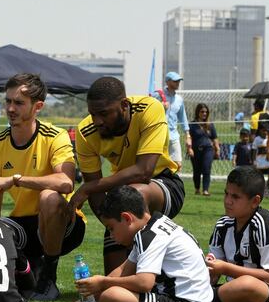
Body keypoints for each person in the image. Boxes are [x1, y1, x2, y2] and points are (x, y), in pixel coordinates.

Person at [69, 77, 185, 274]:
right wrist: (113, 225)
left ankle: (150, 265)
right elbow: (96, 193)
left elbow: (144, 171)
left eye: (104, 114)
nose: (97, 121)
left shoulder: (149, 108)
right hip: (122, 196)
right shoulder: (85, 131)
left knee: (130, 196)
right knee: (113, 290)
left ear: (124, 105)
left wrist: (89, 188)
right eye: (93, 114)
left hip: (163, 184)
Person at [0, 73, 82, 301]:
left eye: (18, 103)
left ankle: (49, 277)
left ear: (38, 106)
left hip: (65, 222)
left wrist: (17, 179)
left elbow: (66, 183)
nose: (10, 108)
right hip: (24, 226)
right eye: (8, 101)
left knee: (49, 197)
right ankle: (27, 272)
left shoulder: (55, 136)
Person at [67, 185, 212, 302]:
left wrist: (103, 283)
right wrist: (90, 299)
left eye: (111, 228)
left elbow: (144, 283)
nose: (111, 235)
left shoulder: (149, 235)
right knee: (109, 295)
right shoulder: (153, 226)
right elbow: (124, 269)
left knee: (111, 296)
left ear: (127, 218)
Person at [207, 166, 269, 302]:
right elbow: (213, 270)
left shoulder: (264, 223)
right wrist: (210, 271)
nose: (228, 201)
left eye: (235, 197)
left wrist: (227, 268)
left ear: (255, 201)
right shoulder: (222, 225)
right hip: (235, 290)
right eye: (226, 194)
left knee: (246, 284)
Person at [151, 71, 192, 171]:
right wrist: (160, 106)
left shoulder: (179, 99)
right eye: (175, 81)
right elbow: (149, 111)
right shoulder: (157, 95)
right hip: (159, 135)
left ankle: (173, 184)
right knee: (158, 164)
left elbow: (183, 118)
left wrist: (187, 136)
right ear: (168, 82)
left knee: (177, 164)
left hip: (173, 136)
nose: (178, 83)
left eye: (179, 81)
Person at [189, 103, 220, 197]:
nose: (204, 114)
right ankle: (197, 189)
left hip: (208, 149)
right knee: (197, 170)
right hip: (196, 150)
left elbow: (215, 138)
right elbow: (188, 137)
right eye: (202, 111)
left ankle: (205, 190)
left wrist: (217, 149)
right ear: (198, 112)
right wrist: (189, 148)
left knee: (206, 168)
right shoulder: (192, 124)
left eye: (206, 112)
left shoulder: (210, 125)